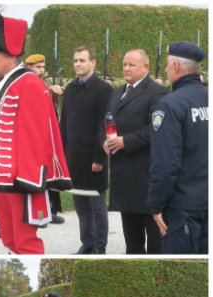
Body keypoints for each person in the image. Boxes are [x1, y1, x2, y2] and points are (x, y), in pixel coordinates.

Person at [0, 13, 71, 254]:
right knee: (9, 241)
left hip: (21, 181)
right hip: (1, 179)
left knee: (26, 242)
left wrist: (29, 180)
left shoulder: (30, 84)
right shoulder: (5, 82)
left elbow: (36, 137)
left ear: (10, 54)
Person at [102, 49, 168, 254]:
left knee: (156, 241)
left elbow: (155, 129)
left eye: (132, 65)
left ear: (145, 67)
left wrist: (125, 142)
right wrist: (105, 141)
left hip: (145, 175)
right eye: (124, 64)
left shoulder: (158, 93)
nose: (127, 69)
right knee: (132, 241)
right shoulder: (118, 92)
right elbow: (107, 122)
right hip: (124, 178)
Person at [148, 42, 208, 254]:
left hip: (183, 210)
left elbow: (165, 164)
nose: (165, 70)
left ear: (175, 66)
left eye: (166, 65)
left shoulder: (169, 105)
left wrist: (156, 206)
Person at [60, 46, 113, 254]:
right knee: (80, 204)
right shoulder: (71, 89)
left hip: (93, 156)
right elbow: (64, 123)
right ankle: (87, 243)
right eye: (75, 60)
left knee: (97, 206)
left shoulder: (103, 90)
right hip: (73, 155)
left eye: (82, 60)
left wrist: (99, 158)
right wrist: (62, 155)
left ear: (93, 63)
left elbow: (104, 125)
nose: (78, 64)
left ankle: (100, 247)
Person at [24, 53, 65, 226]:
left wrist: (60, 89)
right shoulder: (26, 82)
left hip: (50, 132)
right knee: (37, 175)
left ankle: (51, 210)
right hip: (35, 134)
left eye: (42, 66)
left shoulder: (47, 80)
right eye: (37, 67)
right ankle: (38, 214)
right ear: (29, 67)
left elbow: (68, 85)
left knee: (51, 172)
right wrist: (49, 90)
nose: (41, 70)